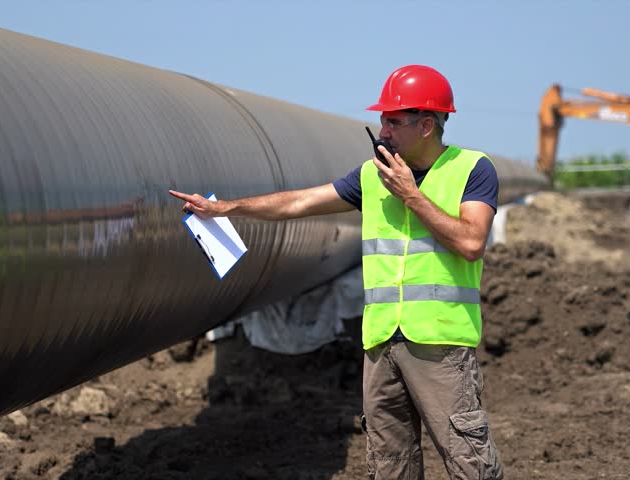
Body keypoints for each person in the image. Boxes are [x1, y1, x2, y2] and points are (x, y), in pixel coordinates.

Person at [169, 65, 503, 480]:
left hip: (441, 344)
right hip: (381, 344)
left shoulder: (472, 169)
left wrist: (411, 196)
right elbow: (299, 203)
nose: (382, 129)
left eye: (394, 121)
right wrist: (225, 209)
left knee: (469, 462)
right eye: (382, 119)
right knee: (389, 465)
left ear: (427, 125)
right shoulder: (370, 177)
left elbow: (471, 243)